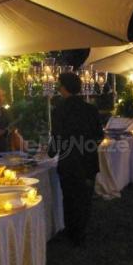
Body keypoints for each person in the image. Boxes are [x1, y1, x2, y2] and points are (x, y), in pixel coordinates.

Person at [48, 72, 103, 246]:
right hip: (87, 162)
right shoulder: (91, 109)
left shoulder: (59, 110)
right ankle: (81, 231)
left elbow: (56, 136)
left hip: (68, 163)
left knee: (69, 198)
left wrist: (50, 152)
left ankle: (72, 231)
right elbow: (99, 136)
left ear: (63, 87)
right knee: (85, 198)